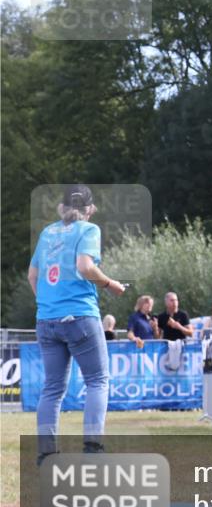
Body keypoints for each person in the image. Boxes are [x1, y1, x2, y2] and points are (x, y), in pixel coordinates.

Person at [28, 184, 126, 462]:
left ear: (61, 208)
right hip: (80, 316)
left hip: (47, 319)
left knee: (52, 388)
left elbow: (32, 277)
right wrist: (110, 285)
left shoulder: (48, 233)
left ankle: (46, 454)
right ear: (90, 209)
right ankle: (93, 448)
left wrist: (49, 304)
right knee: (97, 380)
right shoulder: (88, 230)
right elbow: (84, 266)